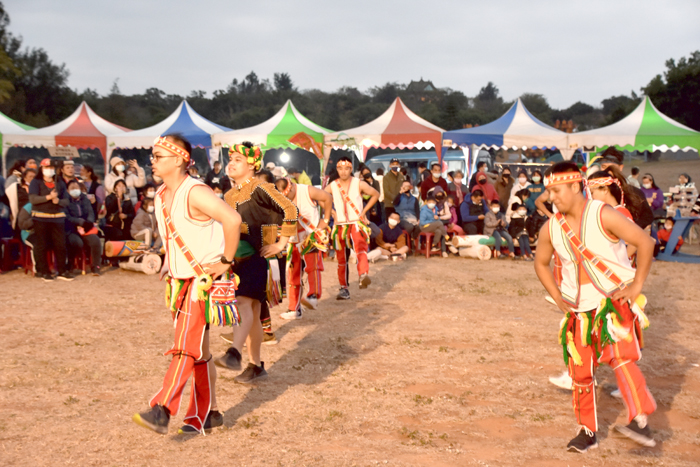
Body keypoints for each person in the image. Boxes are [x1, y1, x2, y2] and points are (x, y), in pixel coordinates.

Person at [534, 161, 657, 452]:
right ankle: (586, 431)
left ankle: (640, 422)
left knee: (621, 358)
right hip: (578, 309)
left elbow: (645, 242)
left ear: (576, 186)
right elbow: (540, 263)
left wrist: (636, 286)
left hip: (612, 302)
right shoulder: (551, 227)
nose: (552, 198)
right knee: (580, 371)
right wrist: (560, 298)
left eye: (556, 190)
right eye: (548, 192)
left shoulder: (603, 214)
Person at [132, 134, 242, 436]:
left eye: (158, 156)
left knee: (186, 348)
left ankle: (162, 409)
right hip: (180, 282)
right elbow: (173, 239)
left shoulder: (195, 191)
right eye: (153, 156)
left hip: (200, 283)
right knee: (199, 351)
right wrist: (169, 265)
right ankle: (208, 413)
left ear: (180, 159)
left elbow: (232, 220)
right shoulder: (162, 195)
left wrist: (226, 261)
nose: (152, 162)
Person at [215, 142, 298, 383]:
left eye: (238, 159)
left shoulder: (261, 188)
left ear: (252, 165)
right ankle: (256, 365)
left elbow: (290, 208)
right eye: (231, 159)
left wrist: (281, 244)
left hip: (257, 257)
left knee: (243, 303)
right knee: (251, 310)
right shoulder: (229, 195)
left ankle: (234, 353)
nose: (231, 163)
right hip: (237, 260)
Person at [275, 177, 332, 319]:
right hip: (292, 239)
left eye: (287, 195)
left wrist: (326, 219)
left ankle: (313, 296)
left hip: (310, 237)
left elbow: (328, 197)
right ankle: (294, 309)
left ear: (292, 187)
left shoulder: (307, 190)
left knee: (312, 267)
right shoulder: (279, 198)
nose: (286, 198)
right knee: (293, 274)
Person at [324, 157, 379, 300]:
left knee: (361, 250)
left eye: (346, 168)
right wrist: (333, 213)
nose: (343, 171)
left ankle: (363, 274)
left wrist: (364, 211)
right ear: (337, 170)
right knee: (342, 259)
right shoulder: (333, 185)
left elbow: (375, 194)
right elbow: (321, 198)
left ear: (351, 169)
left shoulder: (358, 183)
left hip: (355, 222)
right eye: (340, 169)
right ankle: (344, 288)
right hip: (340, 225)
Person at [28, 159, 73, 281]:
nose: (49, 170)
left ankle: (62, 270)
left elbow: (67, 200)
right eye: (47, 168)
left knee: (60, 245)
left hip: (57, 218)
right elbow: (33, 199)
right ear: (41, 169)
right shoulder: (35, 182)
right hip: (40, 217)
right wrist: (48, 197)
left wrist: (58, 201)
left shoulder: (60, 183)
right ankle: (44, 271)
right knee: (42, 245)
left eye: (52, 168)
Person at [599, 147, 653, 230]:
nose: (607, 171)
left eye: (612, 167)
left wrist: (629, 230)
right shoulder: (593, 192)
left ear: (621, 167)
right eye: (603, 166)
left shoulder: (634, 193)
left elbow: (647, 216)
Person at [64, 180, 102, 276]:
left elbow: (90, 212)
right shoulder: (65, 201)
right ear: (67, 190)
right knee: (77, 243)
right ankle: (71, 264)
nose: (75, 190)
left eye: (77, 188)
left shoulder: (84, 199)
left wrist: (88, 223)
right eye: (72, 188)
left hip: (86, 227)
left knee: (95, 241)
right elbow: (67, 217)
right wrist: (80, 222)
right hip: (71, 228)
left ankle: (95, 266)